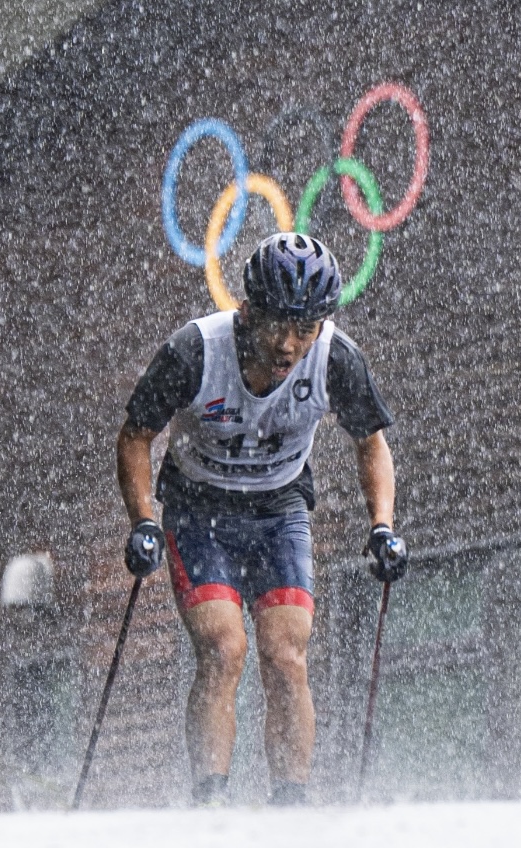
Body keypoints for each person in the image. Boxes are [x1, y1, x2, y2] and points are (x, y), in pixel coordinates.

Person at [116, 232, 407, 806]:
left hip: (279, 510)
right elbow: (135, 437)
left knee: (285, 654)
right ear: (247, 311)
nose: (288, 344)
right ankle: (211, 804)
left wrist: (382, 526)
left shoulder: (335, 358)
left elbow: (371, 444)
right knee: (224, 650)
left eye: (306, 328)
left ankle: (291, 806)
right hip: (199, 509)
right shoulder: (195, 352)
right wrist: (144, 518)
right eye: (277, 324)